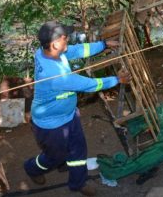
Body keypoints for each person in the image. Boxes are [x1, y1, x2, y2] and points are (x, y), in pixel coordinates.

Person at [24, 21, 131, 196]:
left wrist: (103, 44)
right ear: (56, 43)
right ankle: (32, 168)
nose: (68, 40)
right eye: (65, 38)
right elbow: (89, 85)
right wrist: (117, 80)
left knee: (78, 150)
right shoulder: (55, 75)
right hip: (51, 125)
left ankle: (78, 183)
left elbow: (77, 50)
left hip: (68, 116)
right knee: (54, 157)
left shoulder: (46, 52)